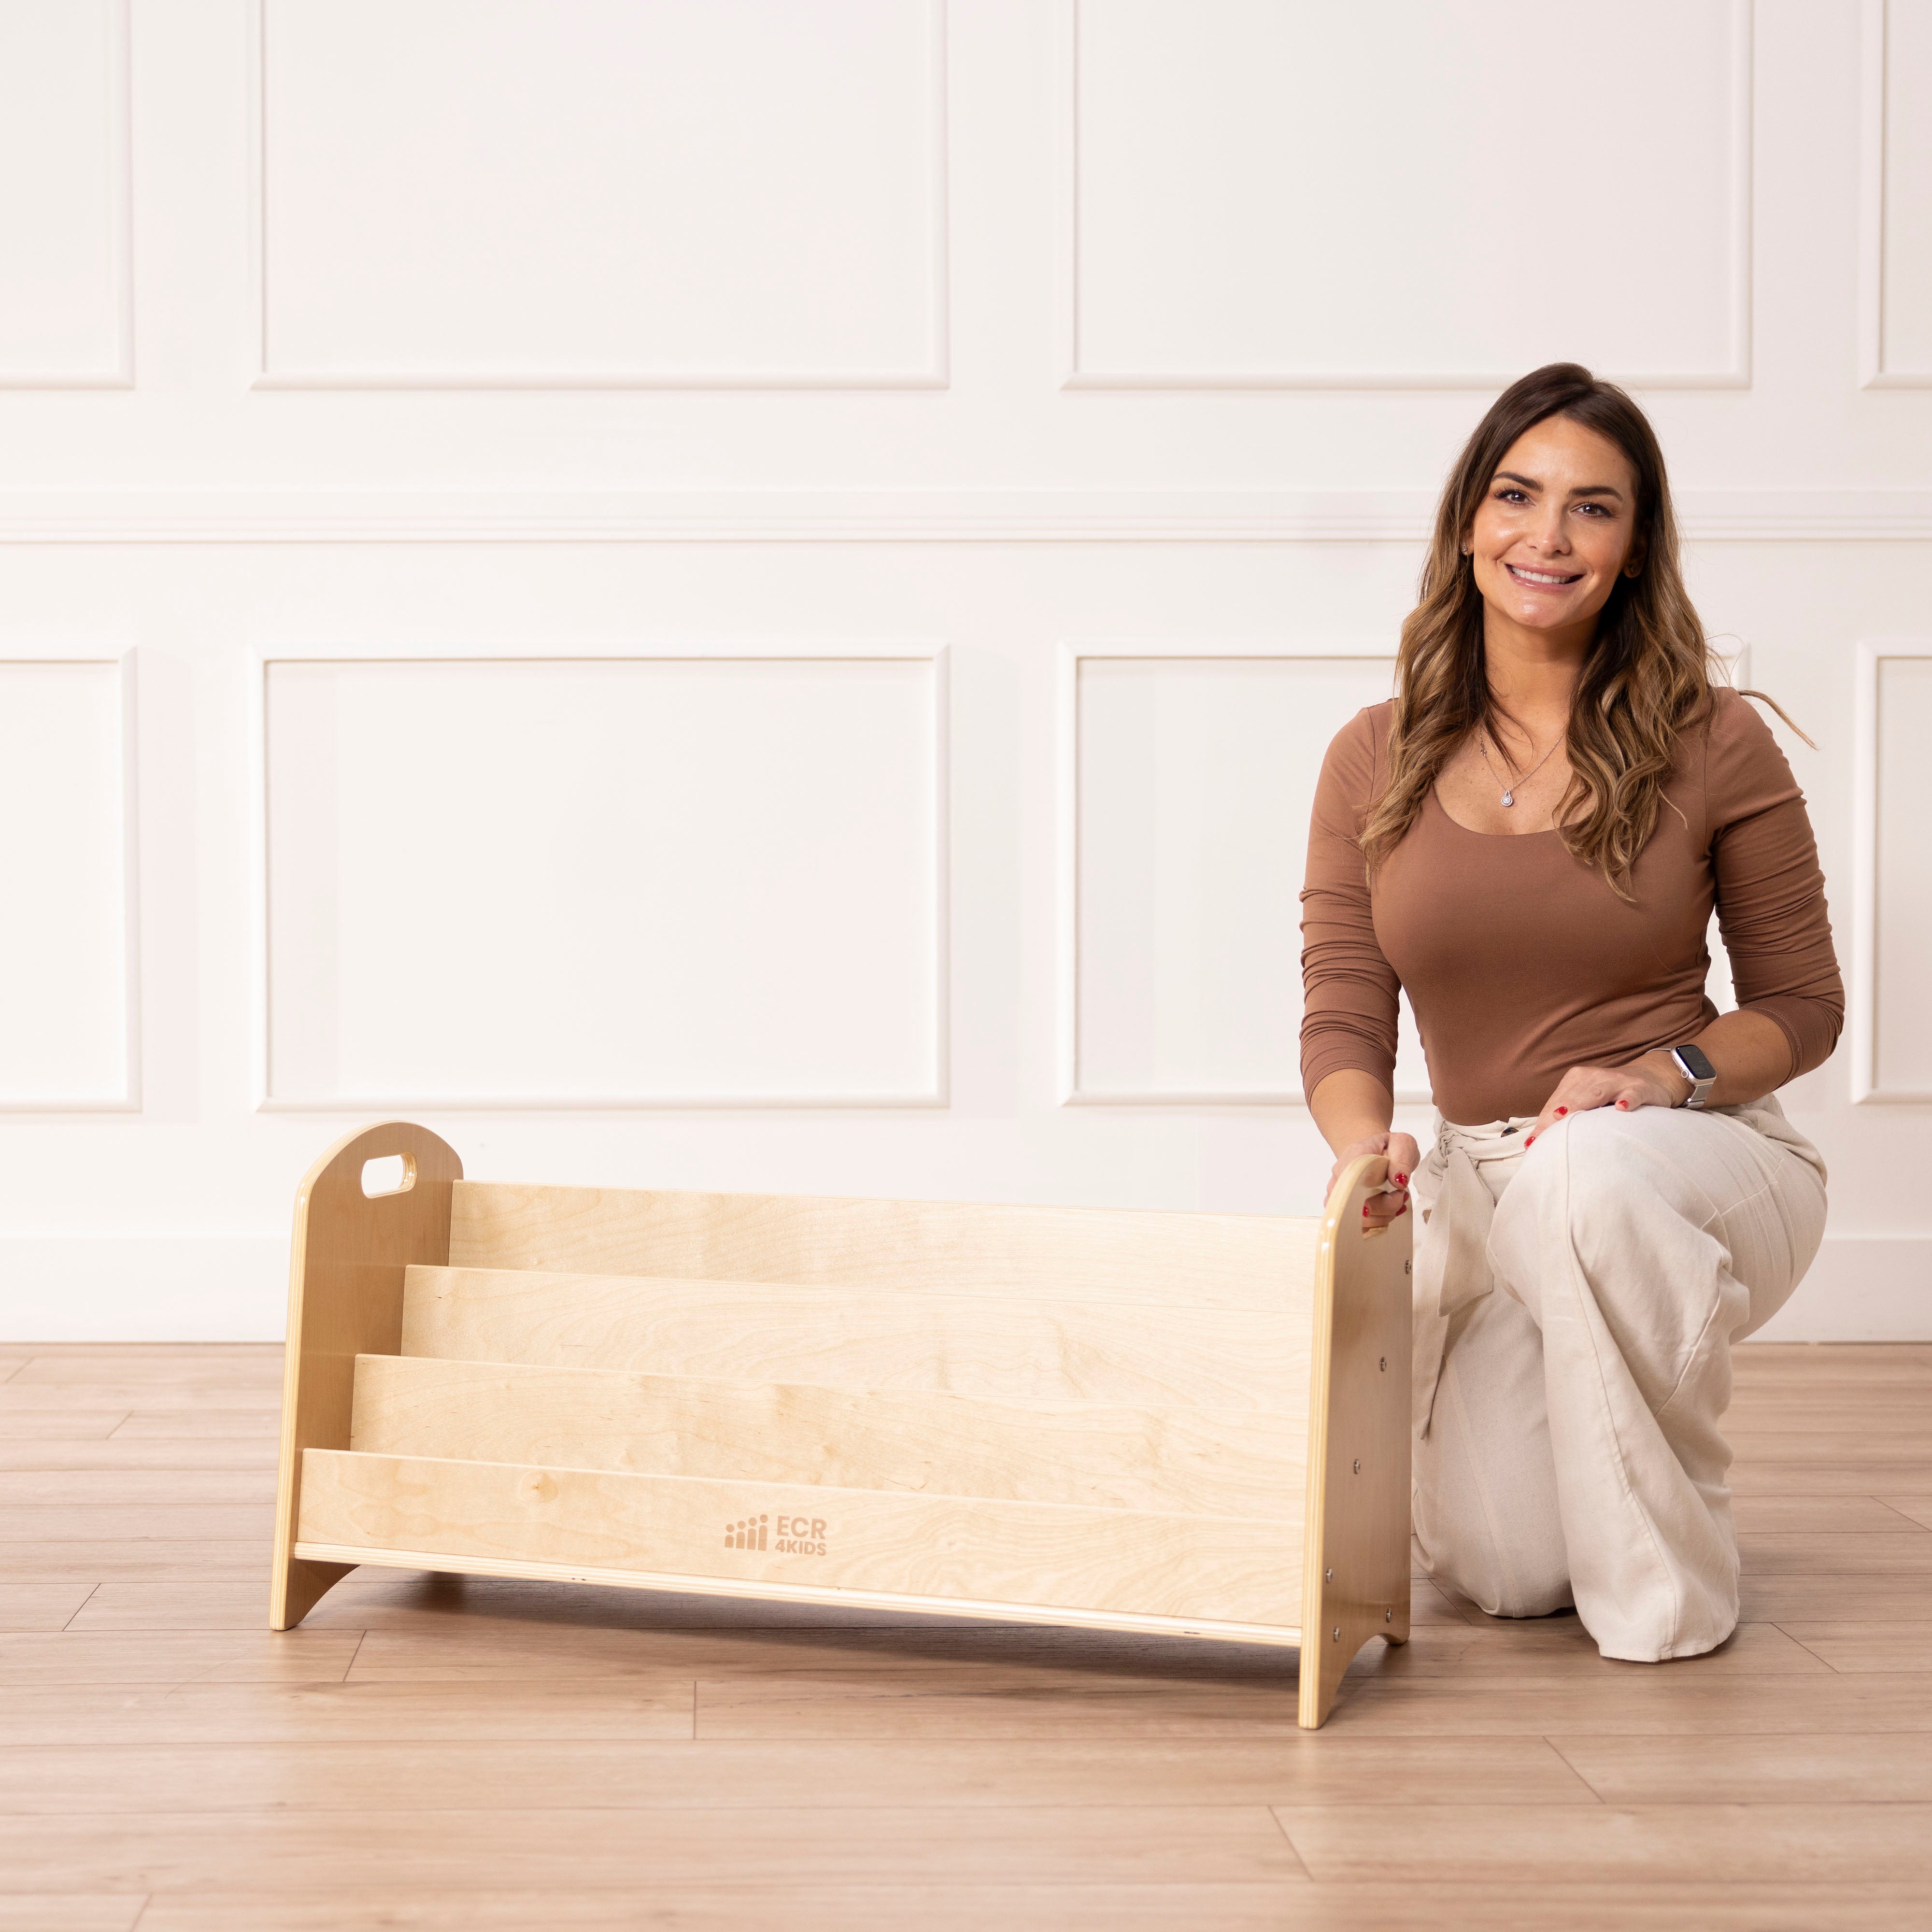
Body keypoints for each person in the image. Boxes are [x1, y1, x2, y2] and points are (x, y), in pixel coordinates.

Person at [1299, 362, 1842, 1663]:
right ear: (1468, 525)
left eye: (1594, 508)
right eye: (1517, 496)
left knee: (1583, 1176)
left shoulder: (1713, 738)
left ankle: (1672, 1603)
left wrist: (1662, 1075)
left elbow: (1803, 1006)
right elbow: (1342, 1006)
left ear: (1635, 547)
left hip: (1691, 1156)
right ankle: (1603, 1486)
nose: (1549, 536)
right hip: (1491, 1176)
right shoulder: (1375, 754)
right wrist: (1365, 1150)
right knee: (1503, 1568)